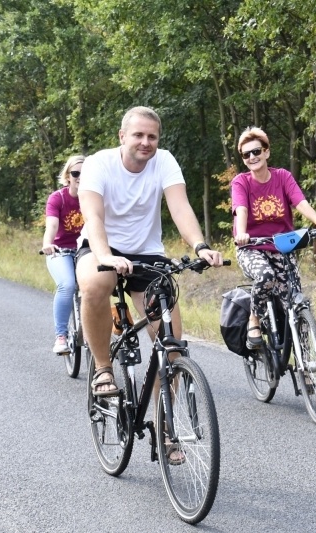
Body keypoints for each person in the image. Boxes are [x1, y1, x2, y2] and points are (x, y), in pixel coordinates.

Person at [76, 106, 223, 399]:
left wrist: (200, 245)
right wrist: (105, 256)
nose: (146, 142)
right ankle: (104, 368)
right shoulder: (98, 164)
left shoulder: (164, 161)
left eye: (152, 137)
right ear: (122, 136)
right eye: (138, 135)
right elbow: (94, 217)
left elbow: (180, 208)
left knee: (170, 343)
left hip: (147, 253)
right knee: (95, 284)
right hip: (101, 246)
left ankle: (165, 434)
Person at [231, 126, 316, 349]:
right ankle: (254, 319)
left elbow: (300, 202)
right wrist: (241, 234)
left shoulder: (282, 177)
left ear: (266, 152)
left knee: (297, 301)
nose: (252, 157)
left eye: (256, 151)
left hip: (281, 247)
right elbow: (241, 210)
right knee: (265, 276)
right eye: (246, 154)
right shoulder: (241, 182)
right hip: (251, 247)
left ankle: (307, 366)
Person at [41, 155, 85, 353]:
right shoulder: (57, 198)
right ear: (68, 176)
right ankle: (61, 336)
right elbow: (52, 224)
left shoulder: (93, 197)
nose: (80, 177)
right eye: (76, 173)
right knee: (67, 285)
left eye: (85, 173)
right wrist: (47, 243)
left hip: (86, 251)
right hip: (60, 250)